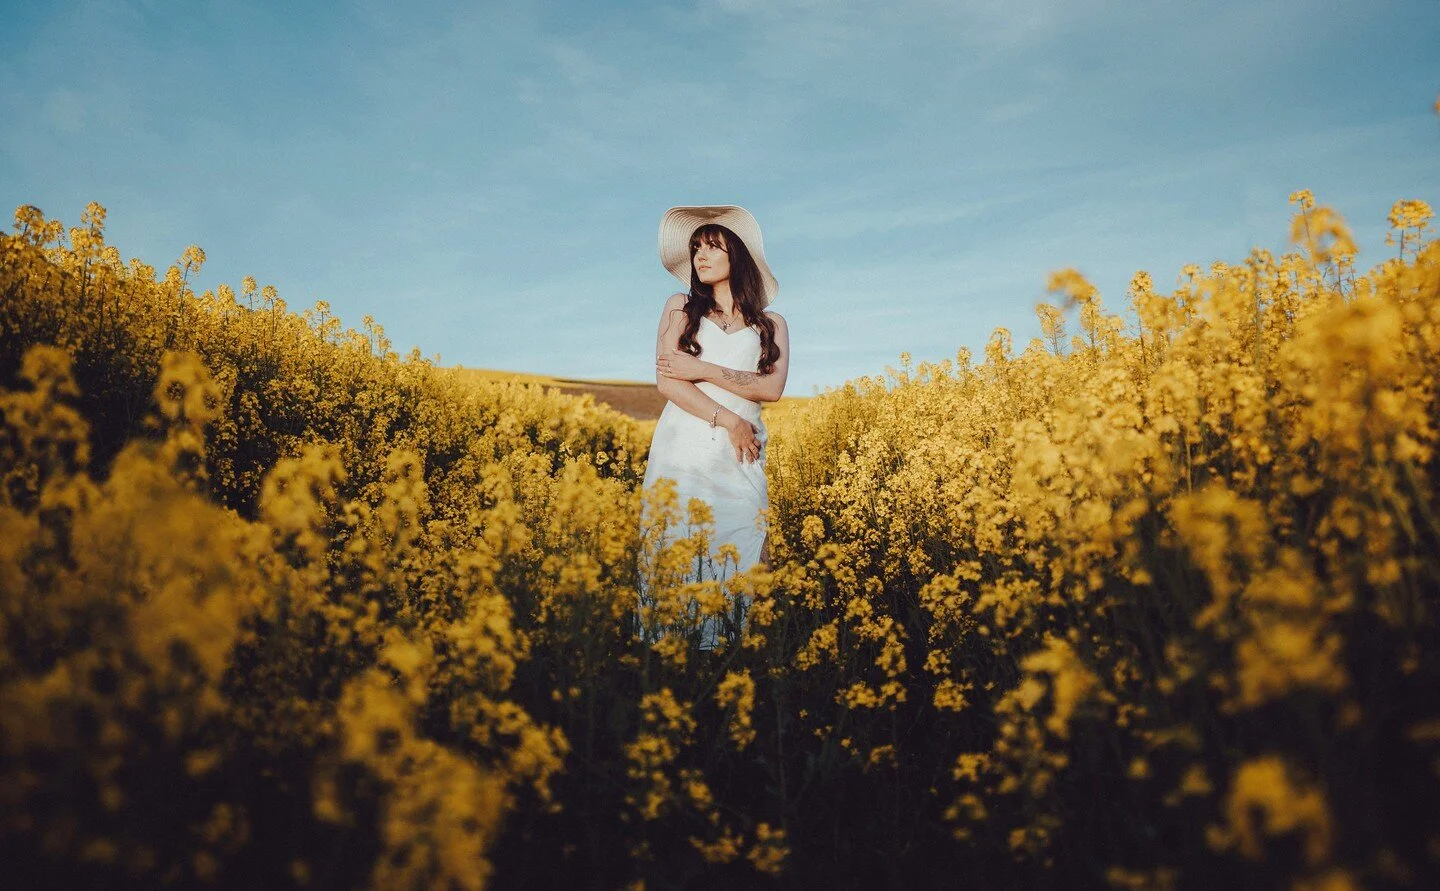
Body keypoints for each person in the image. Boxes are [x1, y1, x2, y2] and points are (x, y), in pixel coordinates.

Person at [639, 205, 791, 649]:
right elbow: (668, 380)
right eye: (695, 248)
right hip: (683, 450)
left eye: (711, 246)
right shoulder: (679, 307)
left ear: (736, 253)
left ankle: (741, 669)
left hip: (741, 455)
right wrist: (729, 419)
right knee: (677, 547)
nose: (700, 256)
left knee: (748, 546)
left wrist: (699, 366)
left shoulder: (772, 324)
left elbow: (772, 388)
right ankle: (676, 668)